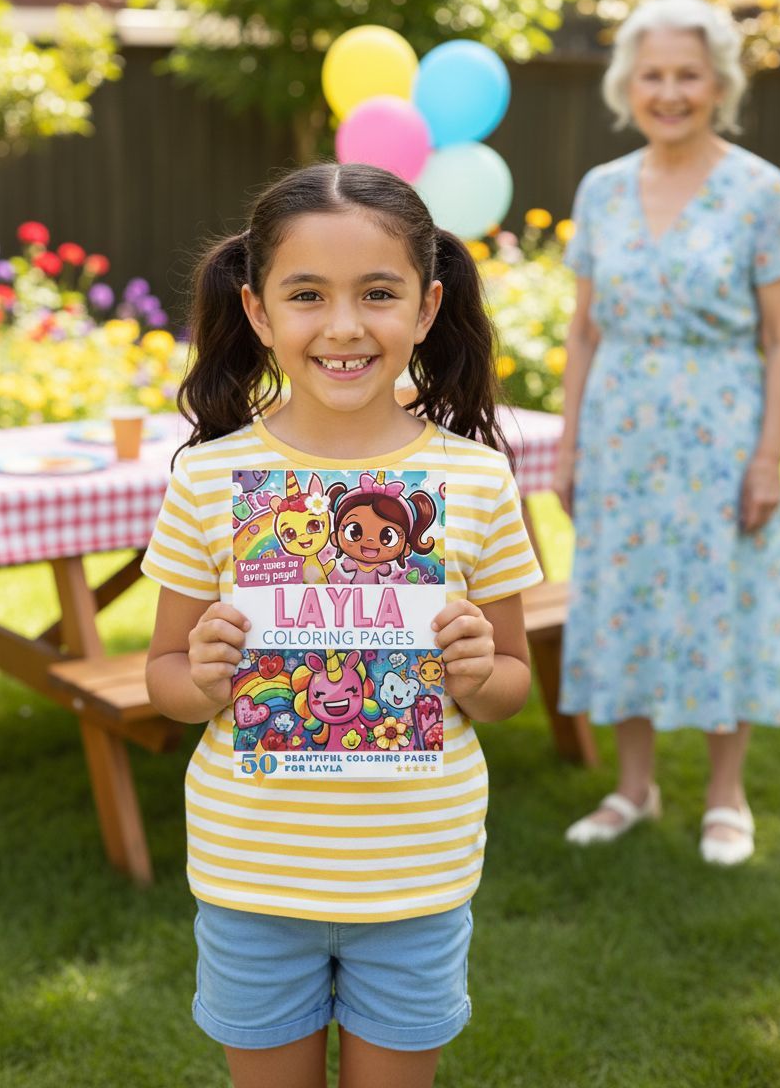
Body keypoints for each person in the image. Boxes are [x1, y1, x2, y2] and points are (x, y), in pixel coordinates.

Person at [142, 162, 542, 1088]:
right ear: (256, 310)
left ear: (429, 304)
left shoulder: (475, 480)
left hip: (416, 881)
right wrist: (197, 675)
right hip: (254, 880)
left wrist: (482, 671)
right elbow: (162, 678)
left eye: (378, 293)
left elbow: (516, 682)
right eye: (307, 294)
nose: (345, 325)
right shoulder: (211, 480)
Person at [553, 0, 780, 866]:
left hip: (720, 434)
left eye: (686, 74)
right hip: (620, 431)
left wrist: (768, 457)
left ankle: (726, 798)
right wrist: (570, 444)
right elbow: (583, 331)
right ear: (629, 83)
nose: (668, 91)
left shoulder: (761, 190)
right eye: (651, 74)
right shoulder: (603, 189)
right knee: (623, 600)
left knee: (720, 602)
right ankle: (633, 788)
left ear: (718, 84)